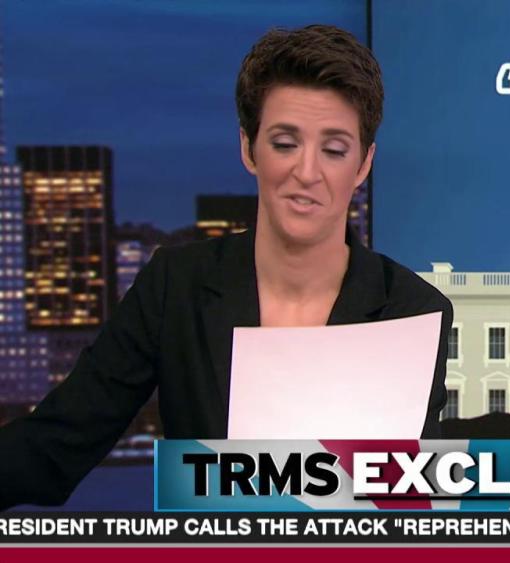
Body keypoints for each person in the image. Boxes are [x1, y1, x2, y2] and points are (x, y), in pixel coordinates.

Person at [0, 25, 453, 509]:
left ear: (363, 165)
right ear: (248, 148)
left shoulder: (412, 310)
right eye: (285, 143)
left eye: (334, 150)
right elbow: (55, 445)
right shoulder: (175, 286)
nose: (306, 172)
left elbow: (407, 506)